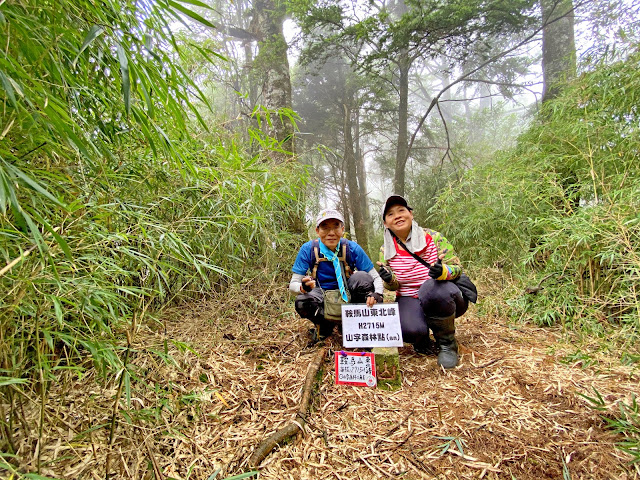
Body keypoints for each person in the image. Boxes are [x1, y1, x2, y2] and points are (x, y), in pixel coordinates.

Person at [377, 195, 468, 369]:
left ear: (411, 214)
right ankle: (422, 338)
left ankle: (447, 344)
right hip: (409, 296)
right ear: (386, 223)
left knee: (431, 289)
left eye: (401, 211)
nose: (397, 216)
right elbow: (394, 285)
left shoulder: (433, 237)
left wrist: (442, 272)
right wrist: (389, 279)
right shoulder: (385, 249)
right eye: (390, 214)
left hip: (441, 294)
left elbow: (457, 267)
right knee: (408, 330)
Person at [289, 208, 384, 340]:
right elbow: (293, 285)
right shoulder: (308, 249)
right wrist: (302, 288)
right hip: (321, 295)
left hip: (349, 294)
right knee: (302, 301)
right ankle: (324, 325)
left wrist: (377, 293)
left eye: (336, 227)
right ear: (317, 231)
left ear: (342, 229)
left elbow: (375, 277)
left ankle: (352, 323)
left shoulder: (352, 248)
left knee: (362, 278)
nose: (331, 233)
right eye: (325, 228)